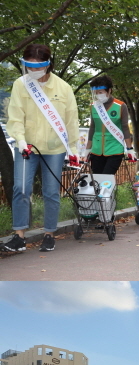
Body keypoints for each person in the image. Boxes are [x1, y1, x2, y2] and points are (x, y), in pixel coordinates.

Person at [2, 43, 79, 253]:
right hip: (27, 146)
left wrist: (73, 148)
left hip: (55, 148)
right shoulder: (20, 84)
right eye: (29, 67)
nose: (33, 71)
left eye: (38, 67)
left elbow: (71, 120)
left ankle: (49, 234)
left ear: (48, 65)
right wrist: (19, 140)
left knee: (51, 192)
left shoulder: (63, 88)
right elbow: (15, 115)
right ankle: (19, 237)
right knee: (21, 189)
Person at [85, 75, 135, 174]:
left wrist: (130, 149)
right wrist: (87, 149)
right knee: (97, 180)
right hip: (96, 150)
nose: (98, 95)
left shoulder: (121, 106)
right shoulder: (94, 106)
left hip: (114, 149)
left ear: (109, 91)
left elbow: (125, 128)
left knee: (106, 179)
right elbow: (92, 128)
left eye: (101, 92)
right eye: (96, 93)